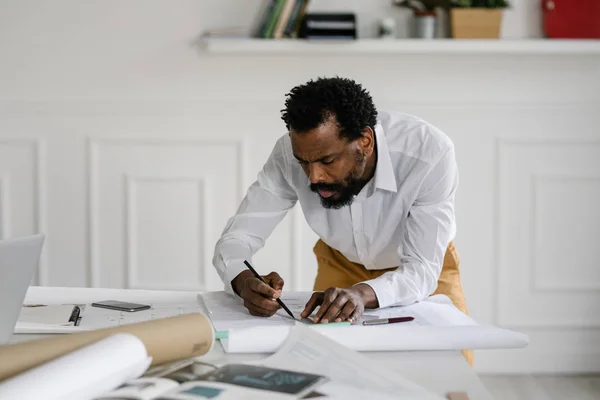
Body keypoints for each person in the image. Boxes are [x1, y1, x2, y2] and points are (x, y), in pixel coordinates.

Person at [212, 76, 472, 366]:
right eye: (303, 162)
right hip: (339, 263)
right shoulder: (288, 153)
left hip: (423, 270)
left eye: (327, 161)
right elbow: (237, 238)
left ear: (365, 141)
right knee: (324, 369)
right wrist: (243, 280)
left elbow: (422, 269)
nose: (313, 177)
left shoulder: (429, 153)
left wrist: (363, 292)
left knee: (451, 370)